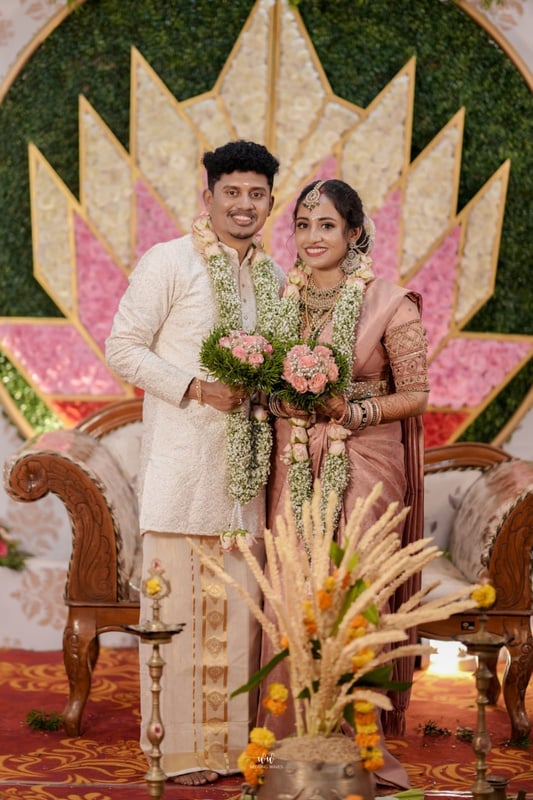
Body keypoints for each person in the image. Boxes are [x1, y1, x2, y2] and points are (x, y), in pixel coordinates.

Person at [105, 140, 285, 786]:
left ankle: (234, 751)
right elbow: (122, 347)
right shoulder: (169, 261)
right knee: (176, 620)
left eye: (256, 194)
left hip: (244, 480)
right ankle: (178, 753)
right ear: (207, 195)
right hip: (181, 473)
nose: (243, 204)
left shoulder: (273, 278)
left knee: (238, 622)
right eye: (231, 192)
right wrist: (195, 387)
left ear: (270, 203)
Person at [259, 178, 430, 790]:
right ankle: (287, 737)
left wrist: (354, 412)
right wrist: (280, 400)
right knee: (292, 584)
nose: (312, 237)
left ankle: (358, 745)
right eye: (303, 225)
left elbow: (416, 394)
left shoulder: (390, 302)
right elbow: (263, 380)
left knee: (353, 589)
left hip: (366, 455)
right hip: (294, 452)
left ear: (354, 233)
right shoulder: (281, 299)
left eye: (326, 225)